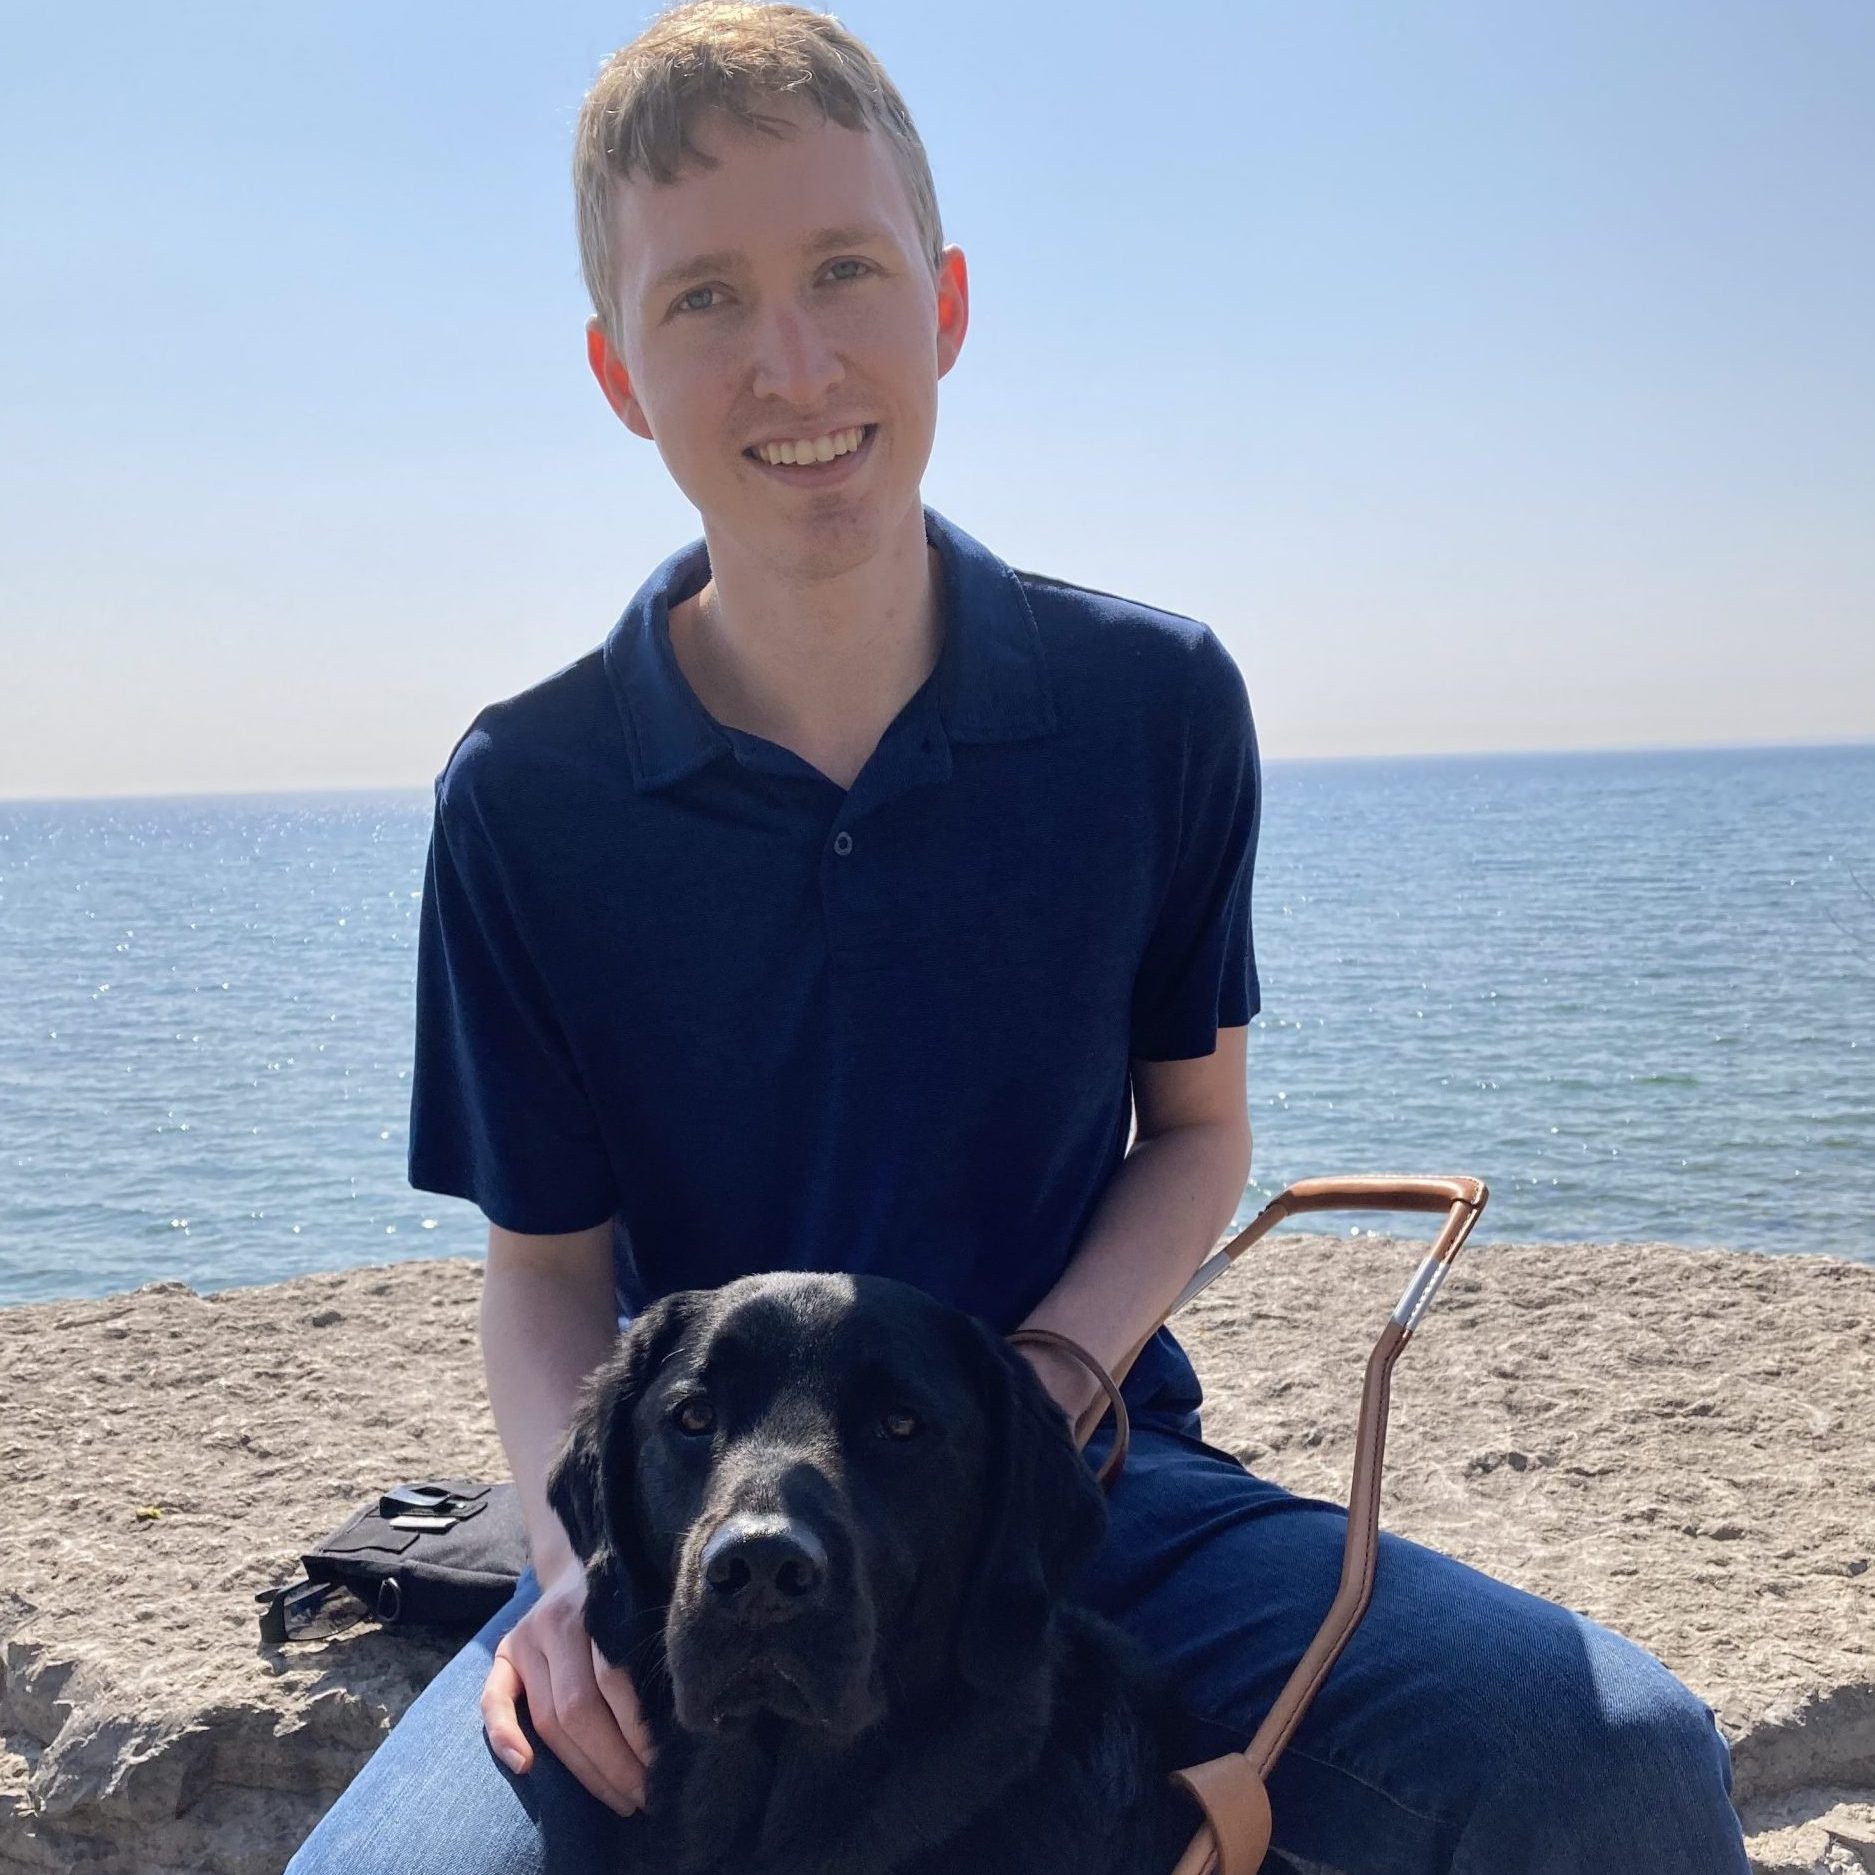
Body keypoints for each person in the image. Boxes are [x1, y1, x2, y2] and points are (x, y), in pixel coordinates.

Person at [285, 5, 1750, 1871]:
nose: (792, 357)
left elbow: (1196, 1130)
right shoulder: (526, 795)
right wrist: (574, 1569)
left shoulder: (1152, 703)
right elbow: (547, 1271)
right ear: (615, 370)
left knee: (1610, 1750)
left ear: (949, 302)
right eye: (704, 300)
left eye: (843, 270)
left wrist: (1054, 1383)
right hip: (698, 1531)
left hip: (1089, 1488)